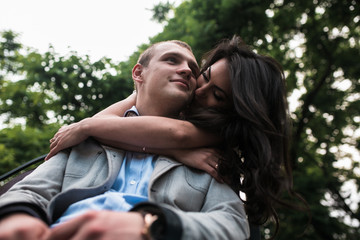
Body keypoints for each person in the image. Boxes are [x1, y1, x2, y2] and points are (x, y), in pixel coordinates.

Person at [46, 35, 302, 236]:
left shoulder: (218, 132)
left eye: (218, 96)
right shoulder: (172, 107)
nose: (200, 91)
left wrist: (83, 128)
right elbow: (104, 123)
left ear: (235, 111)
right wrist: (133, 100)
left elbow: (175, 135)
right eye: (206, 76)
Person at [0, 39, 250, 240]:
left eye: (194, 70)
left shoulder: (210, 156)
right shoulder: (89, 138)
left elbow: (232, 225)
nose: (186, 70)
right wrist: (19, 218)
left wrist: (154, 225)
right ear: (138, 73)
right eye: (171, 60)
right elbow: (30, 192)